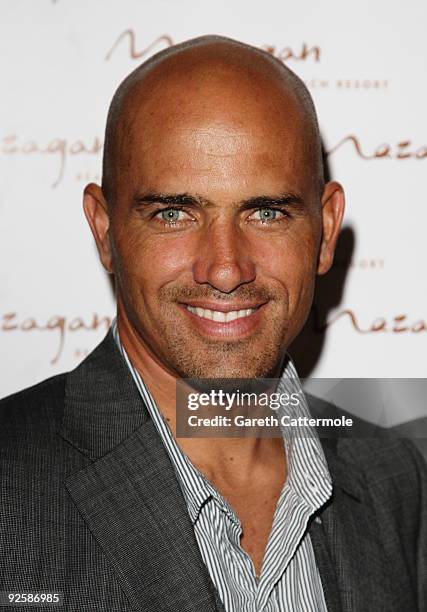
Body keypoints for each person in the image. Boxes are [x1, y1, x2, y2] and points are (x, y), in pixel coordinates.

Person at [0, 35, 426, 612]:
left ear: (325, 231)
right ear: (104, 230)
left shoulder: (396, 481)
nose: (225, 269)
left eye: (267, 212)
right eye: (174, 213)